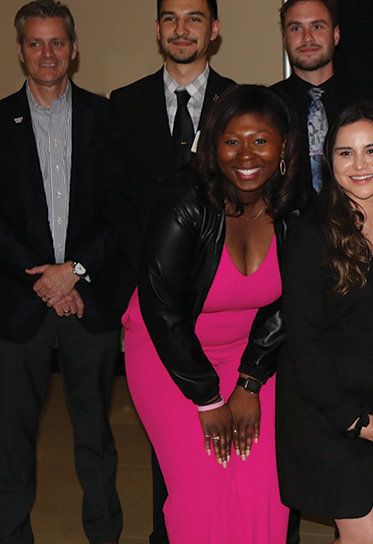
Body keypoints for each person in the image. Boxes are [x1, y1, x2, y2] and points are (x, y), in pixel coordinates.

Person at [123, 85, 300, 543]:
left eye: (261, 140)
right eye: (232, 140)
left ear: (283, 146)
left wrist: (249, 382)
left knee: (265, 488)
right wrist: (207, 398)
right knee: (205, 488)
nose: (246, 154)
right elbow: (162, 309)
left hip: (249, 355)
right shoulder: (184, 200)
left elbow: (290, 302)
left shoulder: (295, 204)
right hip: (169, 356)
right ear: (213, 144)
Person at [96, 0, 235, 543]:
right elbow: (114, 200)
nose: (182, 29)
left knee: (233, 431)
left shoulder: (237, 101)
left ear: (214, 29)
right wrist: (159, 270)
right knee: (170, 438)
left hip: (224, 296)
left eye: (194, 18)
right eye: (171, 19)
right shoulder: (124, 105)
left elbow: (251, 198)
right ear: (157, 29)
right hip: (147, 296)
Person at [0, 0, 123, 544]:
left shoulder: (108, 117)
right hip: (19, 305)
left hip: (88, 300)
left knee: (96, 438)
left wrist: (73, 271)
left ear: (74, 49)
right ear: (21, 52)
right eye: (35, 43)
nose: (47, 53)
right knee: (10, 442)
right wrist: (46, 281)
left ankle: (104, 535)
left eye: (57, 42)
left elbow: (124, 210)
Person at [277, 103, 373, 544]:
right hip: (330, 412)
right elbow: (304, 341)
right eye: (346, 153)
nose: (360, 165)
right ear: (329, 161)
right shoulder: (312, 234)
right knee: (368, 531)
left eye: (372, 150)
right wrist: (349, 418)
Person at [270, 0, 354, 194]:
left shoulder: (365, 104)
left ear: (335, 35)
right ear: (285, 40)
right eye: (296, 28)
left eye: (317, 27)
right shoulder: (268, 107)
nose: (307, 38)